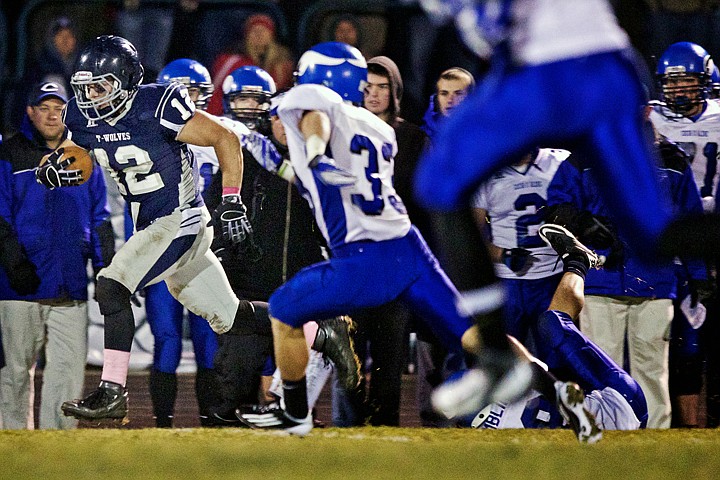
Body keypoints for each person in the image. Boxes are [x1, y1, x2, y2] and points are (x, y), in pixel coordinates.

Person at [237, 42, 598, 442]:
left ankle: (294, 412)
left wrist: (318, 155)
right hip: (408, 248)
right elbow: (332, 188)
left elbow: (315, 119)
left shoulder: (317, 102)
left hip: (364, 255)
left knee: (285, 308)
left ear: (323, 78)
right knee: (477, 337)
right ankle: (559, 389)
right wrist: (285, 165)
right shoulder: (378, 130)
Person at [413, 0, 682, 417]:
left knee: (439, 182)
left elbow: (494, 25)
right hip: (611, 70)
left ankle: (497, 358)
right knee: (657, 237)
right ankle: (497, 357)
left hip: (550, 71)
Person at [33, 35, 269, 423]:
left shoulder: (155, 104)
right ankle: (316, 326)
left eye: (101, 86)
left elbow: (224, 138)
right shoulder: (81, 115)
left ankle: (112, 391)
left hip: (181, 219)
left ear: (126, 81)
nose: (91, 95)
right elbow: (83, 153)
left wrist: (230, 199)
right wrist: (59, 163)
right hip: (155, 226)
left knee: (111, 285)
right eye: (85, 86)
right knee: (230, 316)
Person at [545, 137, 707, 428]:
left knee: (653, 377)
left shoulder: (671, 159)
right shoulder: (585, 155)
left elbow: (690, 219)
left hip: (655, 281)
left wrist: (698, 275)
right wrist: (583, 222)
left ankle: (656, 461)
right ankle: (606, 458)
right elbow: (555, 205)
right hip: (601, 277)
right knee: (600, 375)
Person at [0, 82, 114, 429]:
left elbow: (100, 218)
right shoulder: (8, 153)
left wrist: (107, 269)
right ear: (30, 112)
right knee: (14, 371)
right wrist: (14, 263)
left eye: (59, 107)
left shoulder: (85, 153)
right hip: (18, 285)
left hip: (70, 282)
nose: (52, 114)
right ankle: (12, 441)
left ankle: (57, 446)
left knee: (67, 371)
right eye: (44, 107)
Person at [473, 223, 647, 433]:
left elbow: (535, 368)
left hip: (613, 396)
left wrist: (484, 337)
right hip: (621, 413)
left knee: (552, 325)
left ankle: (578, 262)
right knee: (551, 325)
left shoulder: (500, 399)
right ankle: (577, 261)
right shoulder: (486, 425)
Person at [331, 55, 427, 427]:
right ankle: (347, 433)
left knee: (389, 362)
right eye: (367, 87)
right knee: (348, 360)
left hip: (393, 264)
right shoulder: (340, 132)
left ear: (396, 91)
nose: (373, 95)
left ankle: (384, 433)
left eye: (382, 87)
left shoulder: (415, 139)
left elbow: (427, 208)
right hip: (352, 261)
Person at [134, 58, 220, 428]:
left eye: (195, 92)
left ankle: (212, 423)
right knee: (167, 342)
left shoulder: (221, 136)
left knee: (209, 344)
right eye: (181, 92)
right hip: (163, 251)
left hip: (203, 251)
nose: (188, 100)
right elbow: (133, 208)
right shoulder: (144, 139)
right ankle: (162, 427)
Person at [649, 41, 720, 427]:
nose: (677, 90)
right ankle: (683, 423)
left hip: (712, 233)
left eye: (687, 82)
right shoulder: (652, 119)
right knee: (678, 340)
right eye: (671, 83)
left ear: (706, 81)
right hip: (673, 240)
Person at [471, 148, 570, 346]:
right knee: (507, 354)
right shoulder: (484, 171)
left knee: (556, 356)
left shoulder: (560, 161)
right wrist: (502, 254)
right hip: (507, 282)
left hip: (552, 277)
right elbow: (472, 234)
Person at [206, 13, 294, 116]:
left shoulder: (283, 65)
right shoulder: (231, 61)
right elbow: (217, 95)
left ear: (272, 35)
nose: (259, 34)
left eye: (263, 30)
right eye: (254, 30)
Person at [421, 67, 476, 140]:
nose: (450, 100)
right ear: (437, 98)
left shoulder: (486, 134)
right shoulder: (420, 136)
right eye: (444, 93)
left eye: (458, 94)